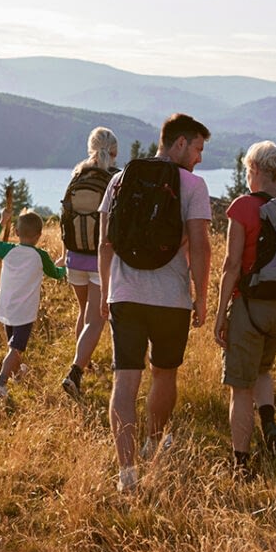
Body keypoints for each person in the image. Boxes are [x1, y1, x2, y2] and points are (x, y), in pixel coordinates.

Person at [99, 113, 212, 492]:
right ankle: (152, 441)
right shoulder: (193, 185)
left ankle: (126, 473)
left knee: (125, 381)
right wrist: (202, 296)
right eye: (197, 148)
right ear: (179, 144)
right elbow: (200, 245)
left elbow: (106, 243)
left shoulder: (119, 179)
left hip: (125, 296)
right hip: (171, 300)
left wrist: (105, 293)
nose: (198, 158)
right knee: (164, 374)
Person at [214, 141, 276, 477]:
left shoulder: (244, 207)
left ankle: (241, 464)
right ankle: (268, 422)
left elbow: (231, 264)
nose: (247, 176)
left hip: (252, 308)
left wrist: (221, 313)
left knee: (240, 385)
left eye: (249, 170)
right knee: (263, 368)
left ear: (257, 171)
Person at [58, 127, 121, 402]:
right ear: (114, 151)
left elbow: (64, 218)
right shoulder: (114, 179)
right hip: (99, 258)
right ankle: (75, 372)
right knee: (96, 319)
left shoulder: (77, 175)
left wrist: (64, 254)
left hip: (74, 257)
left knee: (83, 311)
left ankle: (84, 361)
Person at [0, 200, 67, 397]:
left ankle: (17, 372)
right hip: (24, 313)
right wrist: (64, 265)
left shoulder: (8, 250)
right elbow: (56, 274)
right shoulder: (40, 256)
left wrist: (2, 221)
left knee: (14, 346)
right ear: (39, 236)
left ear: (16, 231)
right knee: (16, 347)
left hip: (6, 308)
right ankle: (0, 382)